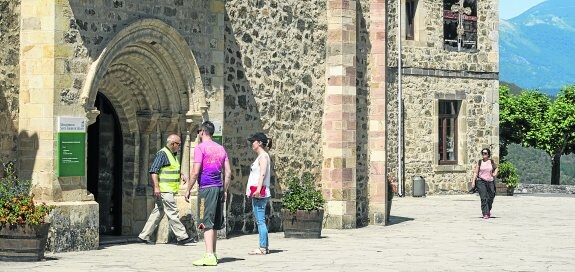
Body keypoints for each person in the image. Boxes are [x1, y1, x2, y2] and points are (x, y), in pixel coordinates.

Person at [185, 121, 231, 266]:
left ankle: (209, 255)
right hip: (218, 188)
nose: (198, 134)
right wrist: (225, 190)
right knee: (215, 223)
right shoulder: (221, 148)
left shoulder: (200, 148)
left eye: (199, 131)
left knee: (205, 222)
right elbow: (228, 172)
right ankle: (214, 253)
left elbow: (195, 172)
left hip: (206, 188)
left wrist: (188, 189)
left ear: (203, 132)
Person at [138, 134, 196, 245]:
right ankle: (182, 237)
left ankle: (143, 236)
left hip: (168, 190)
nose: (180, 146)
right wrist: (156, 187)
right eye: (179, 144)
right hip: (165, 190)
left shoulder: (172, 155)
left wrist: (180, 175)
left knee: (158, 212)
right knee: (172, 212)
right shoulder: (162, 154)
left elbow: (169, 169)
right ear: (173, 144)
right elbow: (154, 171)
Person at [245, 132, 272, 255]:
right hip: (257, 192)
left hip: (259, 193)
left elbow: (262, 173)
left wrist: (257, 190)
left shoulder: (263, 157)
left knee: (260, 221)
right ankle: (264, 246)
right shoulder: (261, 156)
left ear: (259, 143)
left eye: (253, 141)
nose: (252, 143)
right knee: (260, 220)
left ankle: (262, 247)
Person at [471, 148, 499, 219]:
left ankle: (488, 209)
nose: (484, 154)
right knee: (483, 198)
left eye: (485, 153)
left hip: (490, 181)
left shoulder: (491, 162)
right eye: (483, 153)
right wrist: (473, 181)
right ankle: (485, 213)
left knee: (491, 196)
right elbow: (475, 172)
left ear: (488, 154)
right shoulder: (480, 162)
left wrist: (494, 174)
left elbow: (496, 168)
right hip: (481, 181)